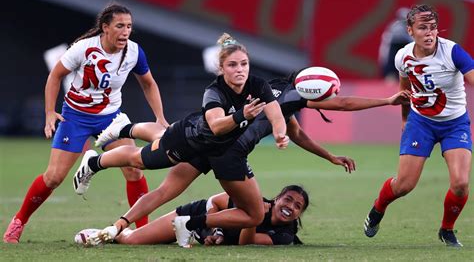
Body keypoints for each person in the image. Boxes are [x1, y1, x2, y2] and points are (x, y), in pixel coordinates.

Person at [76, 67, 410, 247]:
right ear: (312, 89)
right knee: (251, 213)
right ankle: (190, 224)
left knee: (160, 174)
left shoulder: (281, 94)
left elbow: (295, 133)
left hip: (208, 141)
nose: (331, 97)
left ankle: (114, 209)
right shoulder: (293, 95)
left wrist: (329, 156)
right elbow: (343, 104)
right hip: (228, 152)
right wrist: (386, 101)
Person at [72, 32, 289, 247]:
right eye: (233, 65)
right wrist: (243, 115)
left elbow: (276, 114)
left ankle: (164, 223)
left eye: (244, 64)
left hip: (222, 152)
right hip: (190, 142)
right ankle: (94, 163)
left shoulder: (258, 85)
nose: (240, 69)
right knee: (143, 164)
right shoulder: (214, 92)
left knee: (252, 213)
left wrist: (280, 133)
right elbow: (216, 126)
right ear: (221, 69)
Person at [3, 3, 169, 244]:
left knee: (134, 169)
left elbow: (149, 83)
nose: (126, 31)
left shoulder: (134, 51)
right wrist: (50, 112)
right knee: (54, 178)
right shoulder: (83, 48)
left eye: (129, 26)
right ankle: (18, 221)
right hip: (76, 118)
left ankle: (144, 231)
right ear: (105, 28)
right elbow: (55, 76)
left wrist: (160, 118)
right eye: (120, 26)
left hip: (112, 119)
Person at [363, 4, 474, 247]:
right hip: (420, 123)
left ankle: (447, 229)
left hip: (455, 124)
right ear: (410, 31)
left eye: (433, 28)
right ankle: (378, 209)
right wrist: (404, 119)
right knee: (404, 186)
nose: (429, 33)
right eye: (423, 28)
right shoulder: (403, 55)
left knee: (461, 183)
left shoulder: (452, 51)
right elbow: (404, 88)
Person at [76, 185, 309, 246]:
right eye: (287, 199)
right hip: (193, 217)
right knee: (133, 240)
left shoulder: (285, 235)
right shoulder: (254, 202)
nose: (290, 206)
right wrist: (214, 230)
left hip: (201, 236)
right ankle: (109, 231)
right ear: (277, 198)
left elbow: (246, 242)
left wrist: (254, 218)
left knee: (152, 242)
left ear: (299, 213)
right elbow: (214, 201)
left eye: (297, 205)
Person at [378, 7, 412, 81]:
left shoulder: (412, 28)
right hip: (393, 51)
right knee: (391, 74)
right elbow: (385, 46)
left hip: (406, 50)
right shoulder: (394, 27)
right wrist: (383, 60)